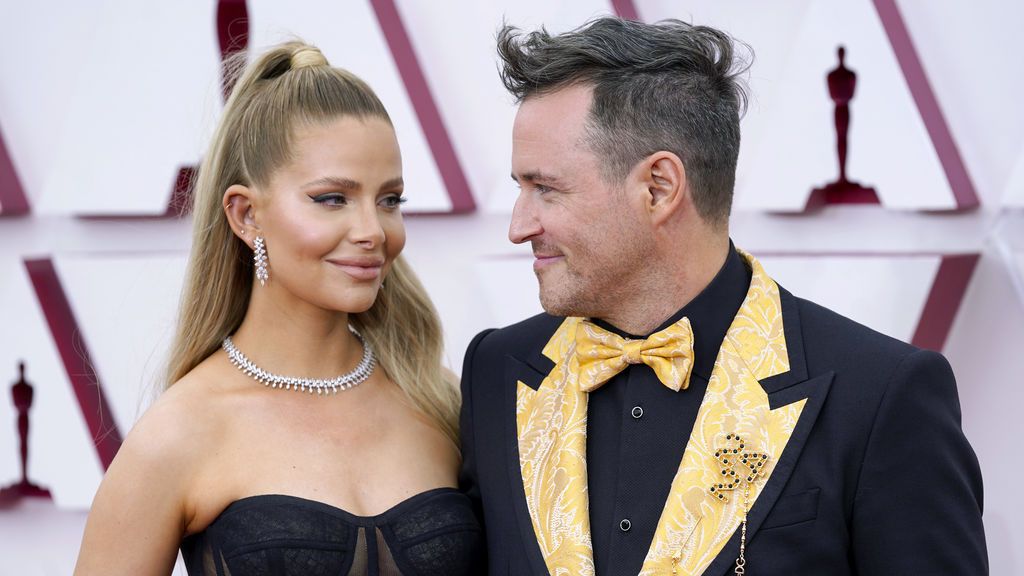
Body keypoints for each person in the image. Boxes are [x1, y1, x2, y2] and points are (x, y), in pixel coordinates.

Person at [459, 17, 986, 575]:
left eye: (546, 188)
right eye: (521, 189)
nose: (519, 226)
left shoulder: (879, 395)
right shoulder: (497, 373)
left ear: (659, 187)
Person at [75, 41, 482, 575]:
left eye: (389, 200)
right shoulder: (179, 433)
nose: (371, 231)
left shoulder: (440, 401)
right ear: (245, 215)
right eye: (332, 198)